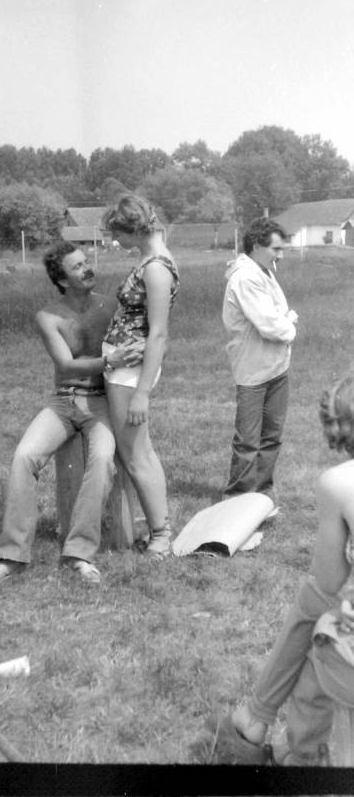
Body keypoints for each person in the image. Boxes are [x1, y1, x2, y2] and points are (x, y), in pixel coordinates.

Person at [0, 241, 142, 586]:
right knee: (24, 457)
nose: (88, 269)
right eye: (78, 266)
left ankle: (79, 553)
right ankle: (11, 555)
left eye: (86, 261)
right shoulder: (48, 316)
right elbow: (66, 366)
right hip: (63, 400)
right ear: (61, 279)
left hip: (101, 401)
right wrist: (109, 361)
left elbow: (138, 338)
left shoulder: (110, 307)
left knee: (103, 459)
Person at [216, 375, 354, 766]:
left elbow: (327, 584)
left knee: (321, 621)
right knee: (328, 630)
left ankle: (266, 725)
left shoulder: (341, 483)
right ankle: (295, 749)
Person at [102, 194, 180, 560]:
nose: (115, 240)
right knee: (138, 452)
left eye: (117, 233)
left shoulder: (156, 268)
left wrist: (142, 393)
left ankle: (161, 535)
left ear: (133, 229)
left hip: (132, 373)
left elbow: (159, 334)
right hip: (124, 366)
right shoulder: (150, 259)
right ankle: (155, 527)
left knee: (137, 455)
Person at [222, 217, 298, 503]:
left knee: (271, 437)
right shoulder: (245, 277)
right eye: (276, 249)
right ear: (256, 246)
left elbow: (277, 317)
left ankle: (262, 496)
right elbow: (271, 325)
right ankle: (236, 500)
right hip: (253, 371)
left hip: (276, 367)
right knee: (248, 442)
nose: (281, 255)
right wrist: (289, 325)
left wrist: (284, 321)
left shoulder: (263, 271)